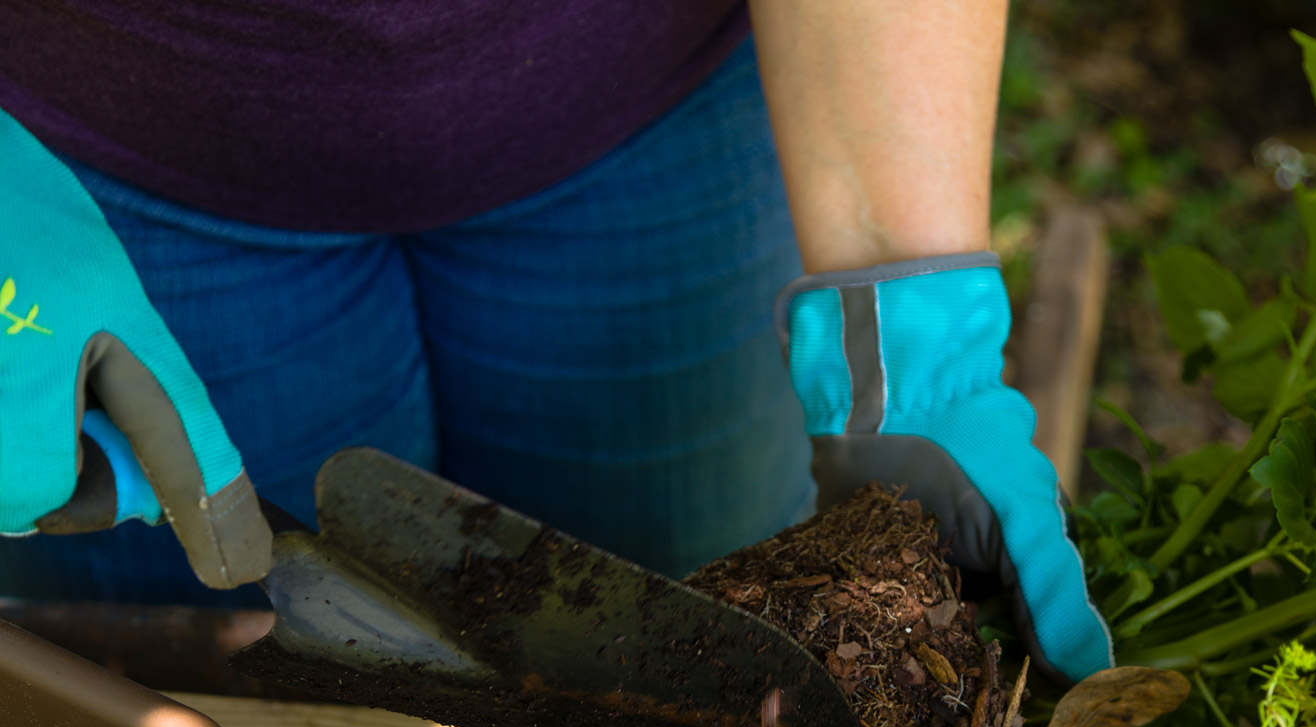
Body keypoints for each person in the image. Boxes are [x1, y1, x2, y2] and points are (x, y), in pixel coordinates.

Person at [0, 1, 1111, 682]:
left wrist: (907, 335)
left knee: (693, 638)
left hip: (640, 110)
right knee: (236, 705)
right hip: (94, 174)